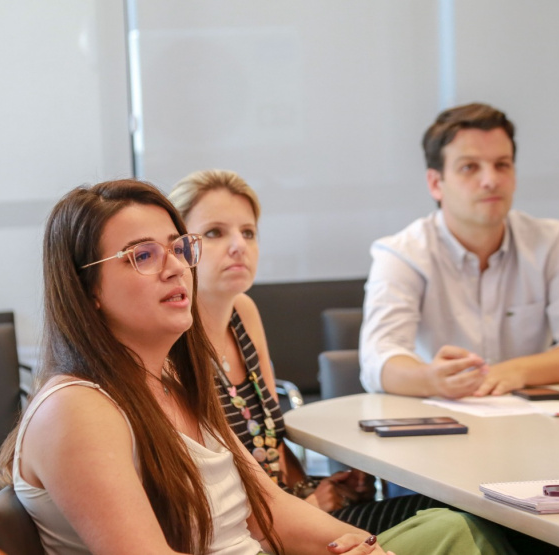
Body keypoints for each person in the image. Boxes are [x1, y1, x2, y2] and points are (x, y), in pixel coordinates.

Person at [0, 178, 517, 554]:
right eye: (142, 255)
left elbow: (270, 506)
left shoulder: (175, 378)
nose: (176, 265)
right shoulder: (78, 409)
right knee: (470, 535)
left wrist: (360, 546)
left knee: (463, 530)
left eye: (179, 248)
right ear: (88, 292)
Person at [170, 169, 448, 533]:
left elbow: (271, 435)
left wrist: (316, 488)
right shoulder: (171, 343)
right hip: (256, 532)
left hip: (290, 509)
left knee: (453, 509)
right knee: (452, 524)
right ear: (181, 247)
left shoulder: (244, 312)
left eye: (248, 232)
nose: (238, 244)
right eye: (214, 233)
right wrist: (307, 505)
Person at [360, 103, 559, 399]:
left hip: (533, 425)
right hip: (437, 425)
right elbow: (377, 359)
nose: (491, 180)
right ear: (436, 183)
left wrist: (514, 371)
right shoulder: (402, 253)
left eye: (502, 165)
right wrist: (430, 379)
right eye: (469, 167)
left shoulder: (552, 241)